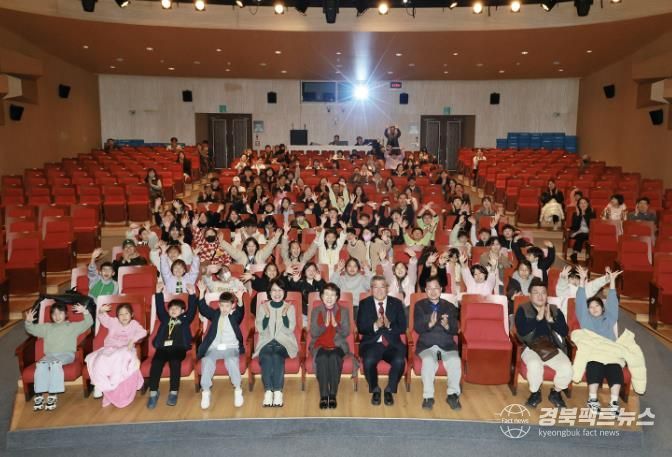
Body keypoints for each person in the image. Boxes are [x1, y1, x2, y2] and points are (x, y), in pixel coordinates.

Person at [514, 278, 571, 408]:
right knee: (534, 365)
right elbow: (521, 331)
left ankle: (556, 392)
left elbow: (564, 331)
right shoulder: (523, 309)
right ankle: (535, 393)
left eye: (543, 292)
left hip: (552, 348)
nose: (540, 296)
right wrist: (537, 318)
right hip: (530, 348)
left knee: (567, 368)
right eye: (536, 292)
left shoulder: (555, 310)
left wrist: (551, 321)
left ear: (547, 295)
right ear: (530, 295)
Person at [24, 303, 93, 411]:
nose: (57, 316)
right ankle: (39, 394)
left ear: (65, 314)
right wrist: (28, 322)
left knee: (55, 364)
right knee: (41, 364)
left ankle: (53, 393)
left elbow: (88, 323)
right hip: (50, 355)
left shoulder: (72, 326)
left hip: (66, 354)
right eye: (54, 314)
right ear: (51, 316)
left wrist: (85, 312)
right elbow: (32, 329)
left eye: (60, 313)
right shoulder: (47, 327)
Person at [356, 276, 407, 406]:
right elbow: (361, 327)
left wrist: (389, 325)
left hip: (392, 344)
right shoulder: (364, 303)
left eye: (382, 287)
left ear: (387, 288)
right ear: (371, 289)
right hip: (372, 343)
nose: (379, 290)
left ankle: (390, 389)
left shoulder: (396, 303)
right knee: (368, 361)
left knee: (400, 360)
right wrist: (375, 325)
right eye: (376, 287)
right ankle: (375, 389)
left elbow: (402, 327)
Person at [146, 284, 198, 409]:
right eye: (171, 308)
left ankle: (173, 392)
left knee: (175, 363)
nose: (173, 310)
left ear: (182, 311)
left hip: (178, 348)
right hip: (163, 348)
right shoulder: (165, 319)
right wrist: (158, 293)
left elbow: (192, 309)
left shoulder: (185, 318)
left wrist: (192, 294)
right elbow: (160, 308)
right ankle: (153, 392)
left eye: (177, 308)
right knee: (156, 363)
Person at [85, 303, 147, 408]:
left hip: (125, 349)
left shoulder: (134, 324)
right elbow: (103, 319)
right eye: (120, 314)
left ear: (132, 314)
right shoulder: (113, 322)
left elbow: (143, 332)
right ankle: (99, 385)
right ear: (117, 316)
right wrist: (101, 311)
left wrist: (133, 340)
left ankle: (113, 384)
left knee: (120, 357)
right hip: (111, 348)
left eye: (126, 313)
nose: (124, 316)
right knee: (100, 358)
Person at [414, 277, 461, 411]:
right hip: (427, 344)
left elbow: (455, 329)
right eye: (429, 288)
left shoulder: (450, 306)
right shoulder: (419, 306)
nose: (433, 291)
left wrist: (447, 326)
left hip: (446, 344)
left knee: (455, 361)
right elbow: (417, 327)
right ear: (425, 290)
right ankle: (428, 397)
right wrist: (429, 324)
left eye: (436, 288)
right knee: (428, 361)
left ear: (441, 290)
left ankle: (452, 395)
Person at [196, 285, 245, 409]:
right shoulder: (215, 314)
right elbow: (203, 309)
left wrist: (240, 299)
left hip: (230, 347)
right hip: (215, 348)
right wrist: (201, 292)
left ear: (232, 305)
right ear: (218, 305)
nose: (224, 309)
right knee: (207, 360)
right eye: (222, 305)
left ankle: (238, 389)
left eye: (227, 306)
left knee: (231, 360)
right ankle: (206, 391)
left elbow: (241, 312)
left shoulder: (234, 316)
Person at [253, 278, 298, 407]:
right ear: (269, 292)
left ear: (284, 292)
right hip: (266, 342)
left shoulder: (290, 308)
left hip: (284, 343)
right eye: (274, 290)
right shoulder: (263, 307)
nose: (277, 293)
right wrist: (267, 316)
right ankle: (268, 392)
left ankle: (278, 392)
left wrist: (284, 315)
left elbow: (290, 330)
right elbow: (260, 329)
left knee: (277, 356)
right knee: (267, 356)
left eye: (280, 290)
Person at [309, 283, 354, 409]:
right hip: (319, 344)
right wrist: (324, 326)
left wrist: (336, 326)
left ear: (337, 297)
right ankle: (324, 395)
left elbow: (346, 332)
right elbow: (313, 333)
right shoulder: (316, 310)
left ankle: (333, 394)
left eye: (333, 295)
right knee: (322, 358)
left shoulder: (343, 311)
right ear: (322, 296)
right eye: (326, 294)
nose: (329, 298)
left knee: (334, 357)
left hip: (338, 345)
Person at [568, 197, 595, 264]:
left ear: (588, 204)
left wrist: (584, 214)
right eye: (581, 203)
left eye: (584, 203)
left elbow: (592, 226)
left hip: (589, 233)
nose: (583, 204)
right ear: (578, 205)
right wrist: (578, 215)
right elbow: (575, 227)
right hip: (578, 232)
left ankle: (574, 254)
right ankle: (574, 255)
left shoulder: (592, 213)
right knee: (581, 235)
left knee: (582, 235)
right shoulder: (576, 214)